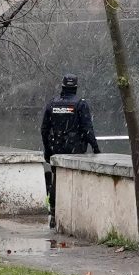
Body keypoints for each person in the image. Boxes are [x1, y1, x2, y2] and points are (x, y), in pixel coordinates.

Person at [38, 76, 97, 227]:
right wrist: (96, 148)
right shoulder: (80, 104)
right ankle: (75, 215)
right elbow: (87, 129)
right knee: (75, 182)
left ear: (62, 87)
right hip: (75, 149)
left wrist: (47, 149)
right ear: (75, 88)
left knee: (56, 179)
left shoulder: (52, 103)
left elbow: (44, 129)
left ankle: (54, 212)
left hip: (56, 147)